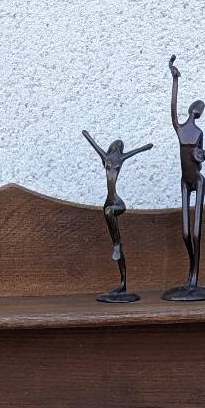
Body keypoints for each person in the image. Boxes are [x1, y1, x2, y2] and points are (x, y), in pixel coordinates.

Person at [163, 55, 205, 300]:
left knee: (196, 232)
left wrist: (202, 155)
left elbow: (201, 157)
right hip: (185, 182)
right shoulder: (180, 128)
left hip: (198, 181)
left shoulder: (199, 132)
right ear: (192, 110)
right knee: (185, 233)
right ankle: (190, 275)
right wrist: (174, 79)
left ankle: (194, 277)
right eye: (197, 109)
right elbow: (172, 108)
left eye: (199, 110)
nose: (197, 112)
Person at [82, 129, 153, 302]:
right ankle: (122, 282)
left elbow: (135, 152)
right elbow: (94, 145)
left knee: (109, 212)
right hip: (108, 202)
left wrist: (146, 147)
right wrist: (86, 134)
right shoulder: (106, 157)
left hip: (117, 202)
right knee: (115, 235)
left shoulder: (120, 158)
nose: (117, 147)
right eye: (116, 145)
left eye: (119, 146)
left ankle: (116, 247)